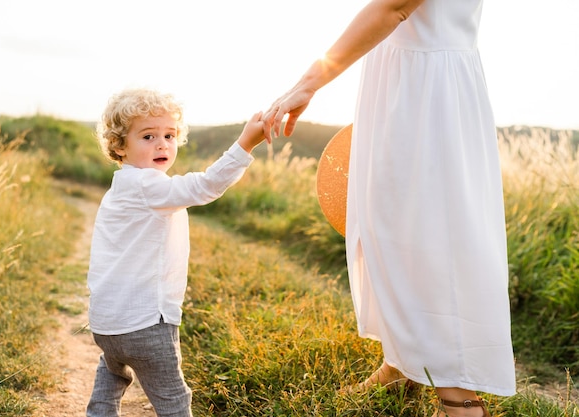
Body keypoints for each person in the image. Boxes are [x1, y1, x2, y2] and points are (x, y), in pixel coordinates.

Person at [262, 1, 516, 416]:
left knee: (433, 235)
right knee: (391, 228)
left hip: (428, 86)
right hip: (410, 77)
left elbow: (393, 7)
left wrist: (309, 82)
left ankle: (459, 400)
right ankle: (403, 361)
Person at [86, 88, 265, 417]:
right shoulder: (147, 186)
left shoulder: (120, 188)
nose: (162, 144)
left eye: (169, 135)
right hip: (145, 323)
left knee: (111, 375)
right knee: (173, 399)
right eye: (148, 135)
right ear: (119, 145)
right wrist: (245, 144)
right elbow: (205, 185)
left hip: (106, 324)